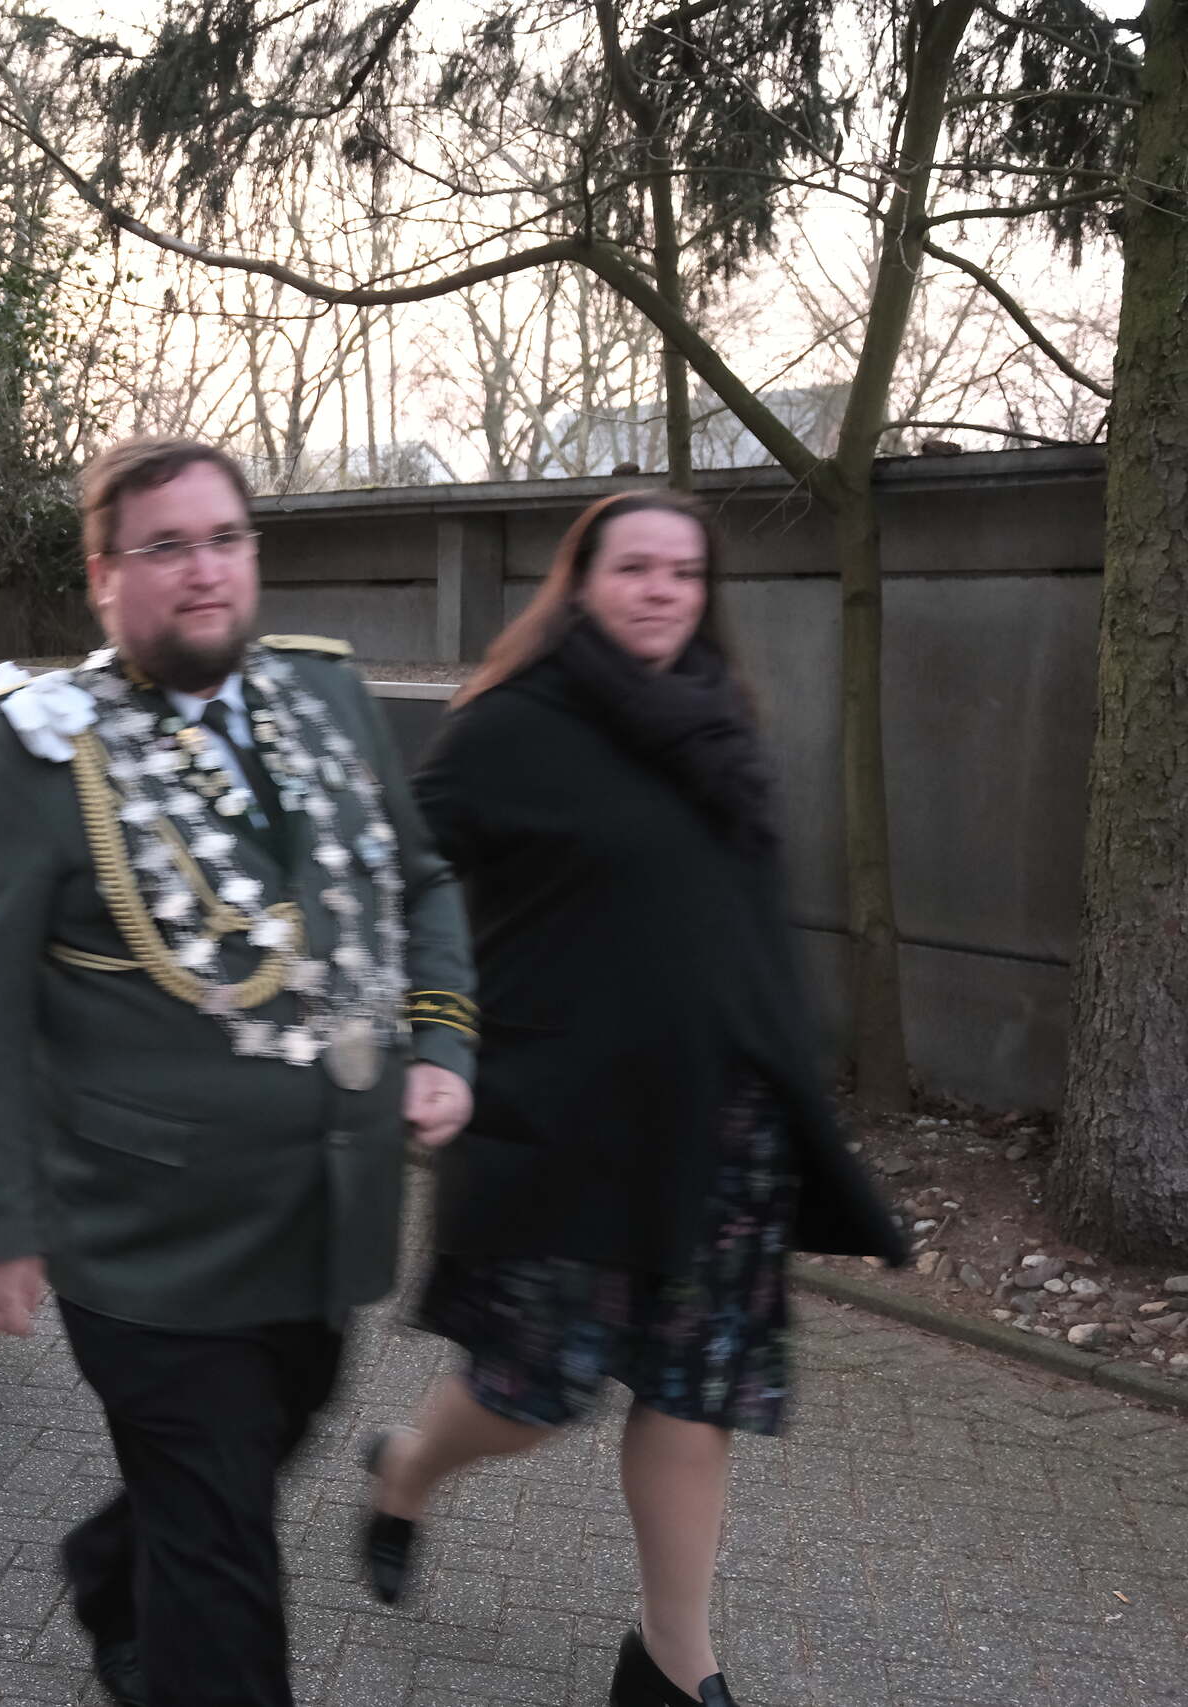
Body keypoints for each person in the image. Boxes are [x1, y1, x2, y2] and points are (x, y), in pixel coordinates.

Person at [0, 437, 477, 1707]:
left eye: (225, 539)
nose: (203, 570)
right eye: (164, 546)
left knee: (255, 1451)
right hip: (148, 1242)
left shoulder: (325, 696)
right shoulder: (40, 751)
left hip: (323, 1212)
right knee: (223, 1551)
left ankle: (109, 1568)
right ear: (101, 576)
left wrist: (440, 1040)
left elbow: (419, 883)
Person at [359, 490, 904, 1707]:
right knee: (529, 1397)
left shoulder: (719, 725)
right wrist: (425, 1035)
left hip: (718, 1127)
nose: (661, 591)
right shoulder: (509, 724)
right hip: (565, 1122)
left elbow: (746, 930)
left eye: (683, 573)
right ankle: (404, 1469)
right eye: (634, 568)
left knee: (691, 1394)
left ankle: (672, 1663)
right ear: (580, 582)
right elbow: (403, 872)